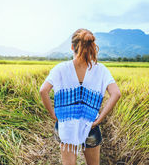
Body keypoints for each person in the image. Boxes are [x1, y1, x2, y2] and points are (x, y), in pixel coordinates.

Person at [39, 28, 121, 165]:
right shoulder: (100, 70)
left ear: (72, 47)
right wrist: (99, 119)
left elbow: (43, 91)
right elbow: (116, 94)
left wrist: (53, 114)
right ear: (91, 46)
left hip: (66, 124)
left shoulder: (61, 68)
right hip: (90, 124)